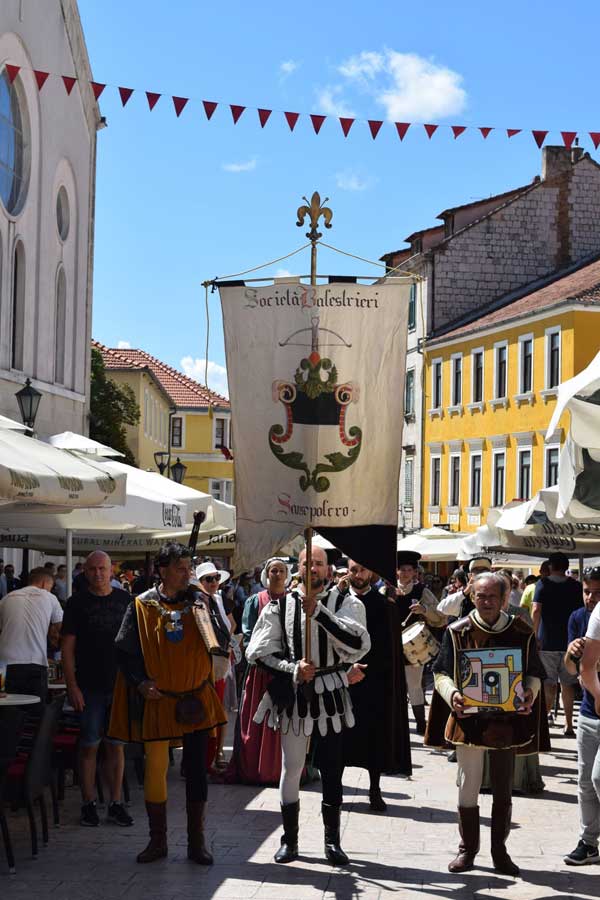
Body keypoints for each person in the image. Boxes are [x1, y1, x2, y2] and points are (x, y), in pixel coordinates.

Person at [246, 543, 370, 865]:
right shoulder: (279, 605)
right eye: (306, 563)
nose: (312, 568)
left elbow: (357, 643)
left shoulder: (346, 602)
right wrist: (291, 669)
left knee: (332, 768)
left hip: (331, 693)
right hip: (296, 693)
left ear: (328, 569)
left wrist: (320, 614)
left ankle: (332, 841)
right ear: (298, 568)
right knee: (292, 767)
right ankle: (291, 840)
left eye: (318, 563)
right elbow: (257, 652)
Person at [108, 543, 226, 865]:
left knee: (197, 770)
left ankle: (196, 843)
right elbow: (125, 652)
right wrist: (140, 683)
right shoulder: (141, 605)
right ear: (162, 570)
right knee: (156, 768)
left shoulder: (201, 600)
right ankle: (157, 842)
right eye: (179, 567)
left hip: (196, 698)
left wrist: (207, 612)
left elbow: (222, 644)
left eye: (189, 566)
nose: (187, 572)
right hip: (159, 700)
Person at [425, 572, 546, 876]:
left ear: (505, 598)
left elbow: (534, 673)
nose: (486, 601)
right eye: (480, 596)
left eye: (493, 596)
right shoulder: (456, 631)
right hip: (470, 721)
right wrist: (451, 694)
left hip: (507, 722)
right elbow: (441, 673)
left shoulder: (521, 631)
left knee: (504, 788)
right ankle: (467, 850)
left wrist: (530, 691)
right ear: (472, 597)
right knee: (468, 784)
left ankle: (499, 851)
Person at [61, 550, 133, 828]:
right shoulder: (76, 603)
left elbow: (134, 645)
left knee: (116, 747)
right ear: (85, 572)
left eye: (102, 569)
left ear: (111, 570)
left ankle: (115, 803)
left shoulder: (125, 601)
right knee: (89, 745)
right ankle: (88, 802)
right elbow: (67, 649)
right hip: (88, 686)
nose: (98, 574)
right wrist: (72, 686)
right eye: (92, 569)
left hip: (118, 686)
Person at [342, 559, 412, 811]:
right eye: (353, 569)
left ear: (371, 571)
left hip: (373, 682)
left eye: (362, 569)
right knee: (340, 737)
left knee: (373, 737)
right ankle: (335, 788)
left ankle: (374, 789)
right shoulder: (336, 603)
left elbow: (389, 653)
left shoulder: (384, 606)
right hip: (342, 681)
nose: (358, 574)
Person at [225, 558, 291, 785]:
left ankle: (282, 769)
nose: (278, 574)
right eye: (274, 570)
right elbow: (249, 633)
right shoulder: (256, 601)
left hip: (286, 670)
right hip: (260, 671)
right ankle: (255, 768)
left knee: (285, 721)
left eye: (282, 570)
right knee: (255, 719)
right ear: (266, 574)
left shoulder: (294, 601)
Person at [563, 566, 600, 864]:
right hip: (588, 711)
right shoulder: (578, 618)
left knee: (599, 778)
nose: (591, 597)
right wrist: (570, 653)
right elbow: (572, 670)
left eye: (597, 592)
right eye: (587, 591)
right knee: (585, 780)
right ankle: (588, 843)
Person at [395, 550, 447, 735]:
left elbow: (441, 618)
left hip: (413, 646)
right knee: (394, 685)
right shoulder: (387, 589)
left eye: (410, 570)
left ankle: (420, 723)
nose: (407, 573)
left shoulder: (422, 591)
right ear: (397, 571)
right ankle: (397, 723)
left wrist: (424, 609)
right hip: (391, 646)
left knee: (414, 684)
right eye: (403, 570)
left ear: (415, 572)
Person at [532, 551, 583, 735]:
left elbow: (536, 610)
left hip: (547, 642)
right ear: (567, 567)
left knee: (548, 684)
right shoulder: (576, 586)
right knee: (568, 684)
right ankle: (569, 725)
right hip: (570, 642)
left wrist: (534, 634)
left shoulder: (542, 584)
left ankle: (543, 725)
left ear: (550, 566)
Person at [0, 567, 63, 701]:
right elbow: (62, 628)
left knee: (9, 711)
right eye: (50, 587)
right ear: (44, 584)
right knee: (35, 710)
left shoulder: (7, 598)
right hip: (35, 662)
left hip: (6, 664)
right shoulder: (50, 597)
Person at [194, 561, 233, 771]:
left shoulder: (218, 599)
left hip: (222, 661)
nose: (214, 582)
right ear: (200, 582)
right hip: (208, 664)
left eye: (216, 578)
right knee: (210, 712)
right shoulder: (199, 601)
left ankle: (215, 753)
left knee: (221, 711)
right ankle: (206, 759)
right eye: (209, 579)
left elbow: (231, 624)